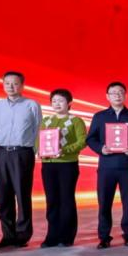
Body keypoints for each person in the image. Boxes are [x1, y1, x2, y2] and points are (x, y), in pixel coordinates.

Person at [85, 82, 128, 248]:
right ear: (107, 96)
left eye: (120, 92)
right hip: (106, 167)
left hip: (127, 166)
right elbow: (90, 138)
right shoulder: (100, 116)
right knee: (104, 202)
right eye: (113, 93)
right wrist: (101, 148)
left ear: (125, 95)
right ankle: (104, 236)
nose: (117, 95)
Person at [0, 71, 41, 249]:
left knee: (22, 193)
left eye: (15, 83)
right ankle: (8, 235)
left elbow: (38, 129)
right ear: (3, 84)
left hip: (22, 153)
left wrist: (34, 150)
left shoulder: (31, 105)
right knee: (3, 195)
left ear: (22, 85)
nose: (11, 87)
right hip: (0, 153)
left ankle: (22, 235)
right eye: (7, 83)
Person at [38, 88, 87, 247]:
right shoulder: (46, 121)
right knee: (52, 200)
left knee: (66, 199)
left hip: (67, 164)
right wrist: (38, 150)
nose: (57, 104)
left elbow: (82, 141)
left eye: (60, 101)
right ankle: (51, 235)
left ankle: (66, 236)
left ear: (69, 103)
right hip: (48, 165)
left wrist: (64, 150)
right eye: (54, 101)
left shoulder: (75, 121)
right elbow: (39, 139)